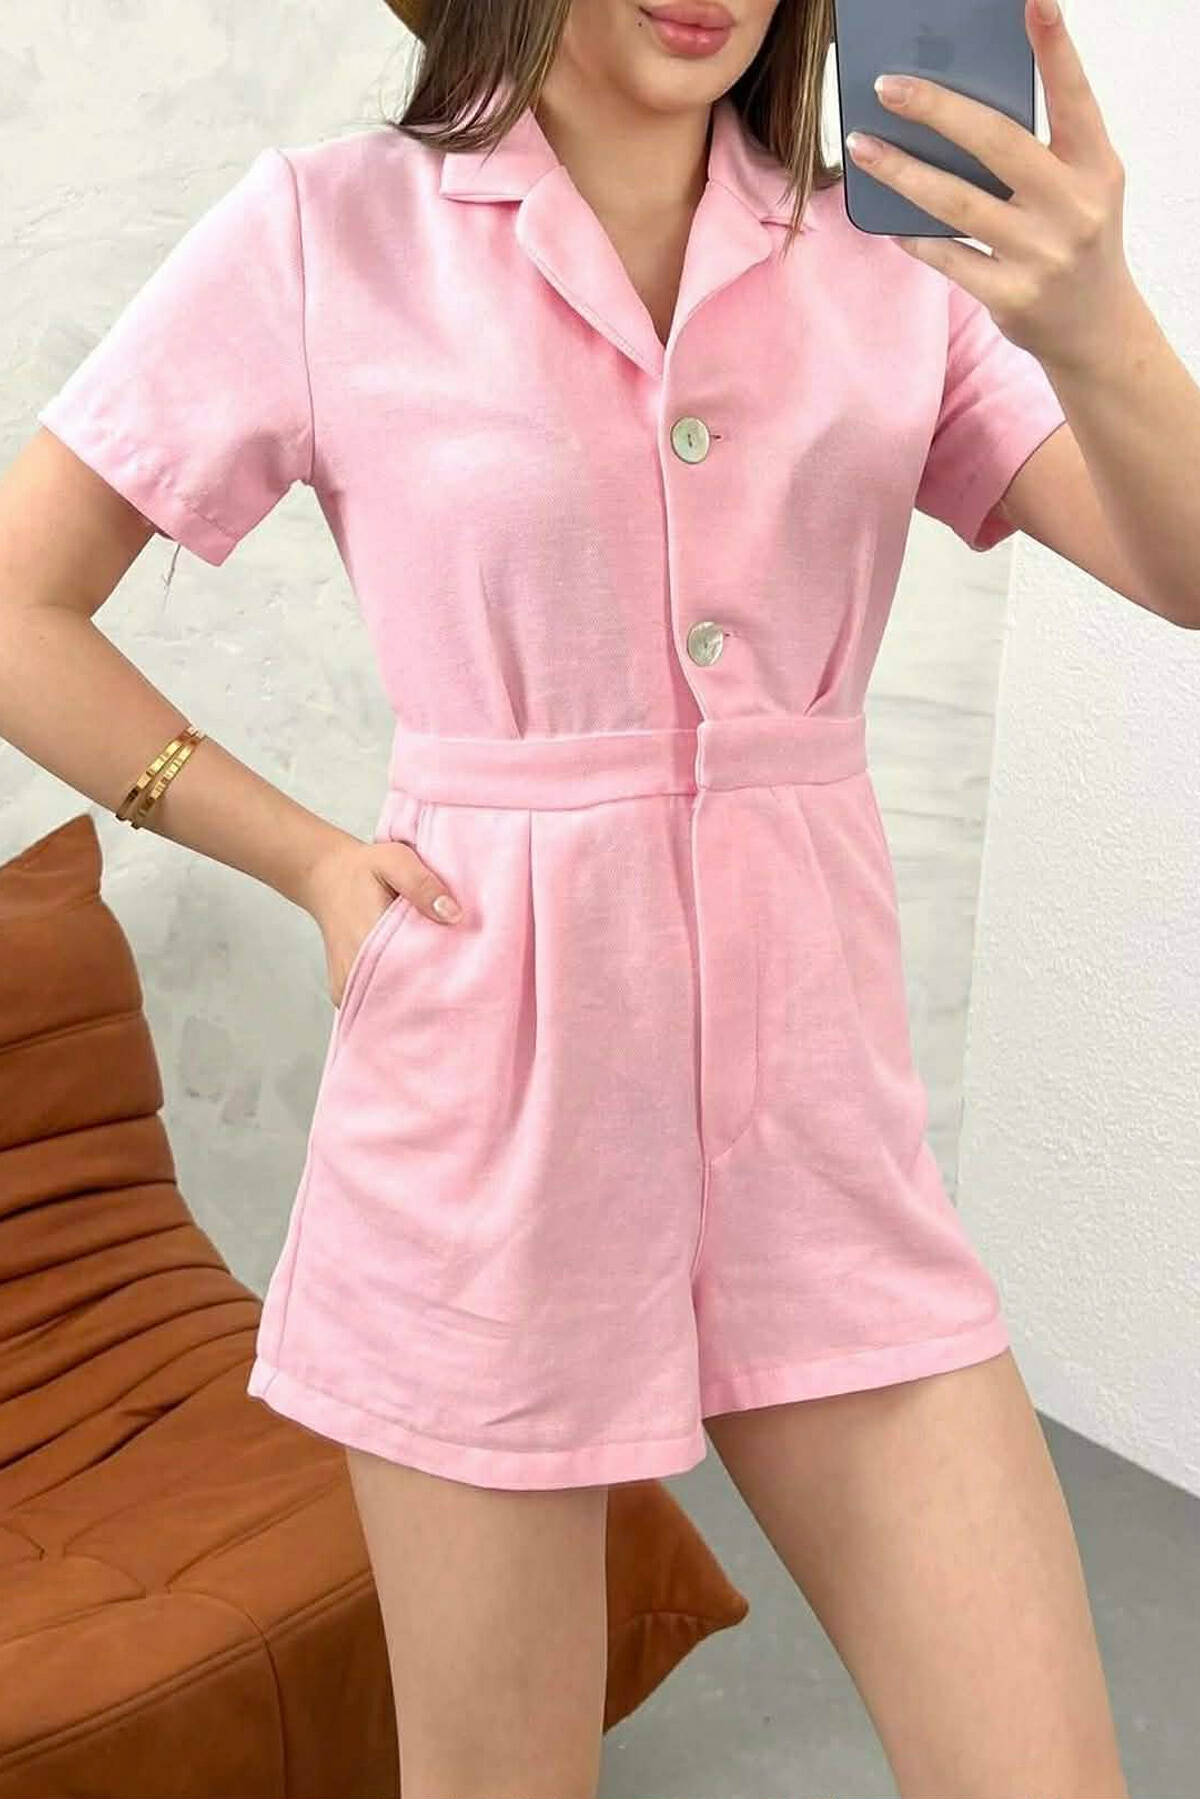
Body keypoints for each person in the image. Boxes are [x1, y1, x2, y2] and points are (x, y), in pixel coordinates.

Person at [4, 0, 1197, 1792]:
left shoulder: (889, 260)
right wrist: (306, 856)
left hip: (823, 1140)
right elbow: (18, 604)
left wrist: (1093, 318)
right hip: (487, 1135)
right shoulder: (330, 232)